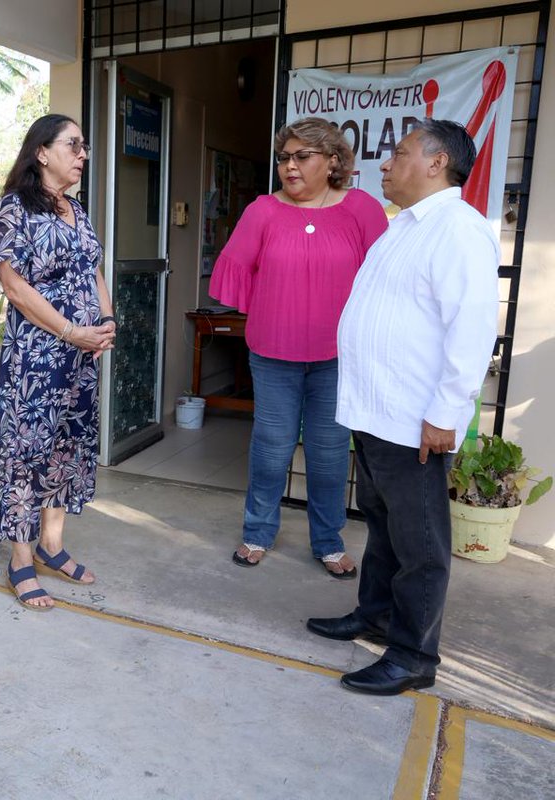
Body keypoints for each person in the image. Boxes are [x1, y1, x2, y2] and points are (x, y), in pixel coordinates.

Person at [307, 120, 499, 695]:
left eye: (399, 153)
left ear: (437, 163)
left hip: (416, 418)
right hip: (377, 413)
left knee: (421, 544)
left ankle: (414, 655)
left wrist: (445, 412)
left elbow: (471, 329)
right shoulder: (406, 227)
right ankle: (376, 616)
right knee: (385, 528)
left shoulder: (459, 230)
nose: (385, 164)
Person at [209, 116, 388, 577]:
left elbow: (383, 280)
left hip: (337, 358)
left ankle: (328, 541)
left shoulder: (361, 209)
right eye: (284, 157)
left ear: (332, 160)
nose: (289, 166)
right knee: (271, 447)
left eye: (301, 156)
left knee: (329, 453)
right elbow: (235, 267)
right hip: (273, 353)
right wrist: (274, 302)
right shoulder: (263, 210)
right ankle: (257, 531)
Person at [0, 114, 116, 611]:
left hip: (81, 361)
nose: (83, 154)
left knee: (68, 449)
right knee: (25, 452)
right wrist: (72, 331)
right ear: (42, 153)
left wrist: (107, 322)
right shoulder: (14, 210)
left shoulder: (77, 210)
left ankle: (53, 545)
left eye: (84, 145)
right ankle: (20, 558)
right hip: (37, 361)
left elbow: (92, 270)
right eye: (73, 145)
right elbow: (15, 287)